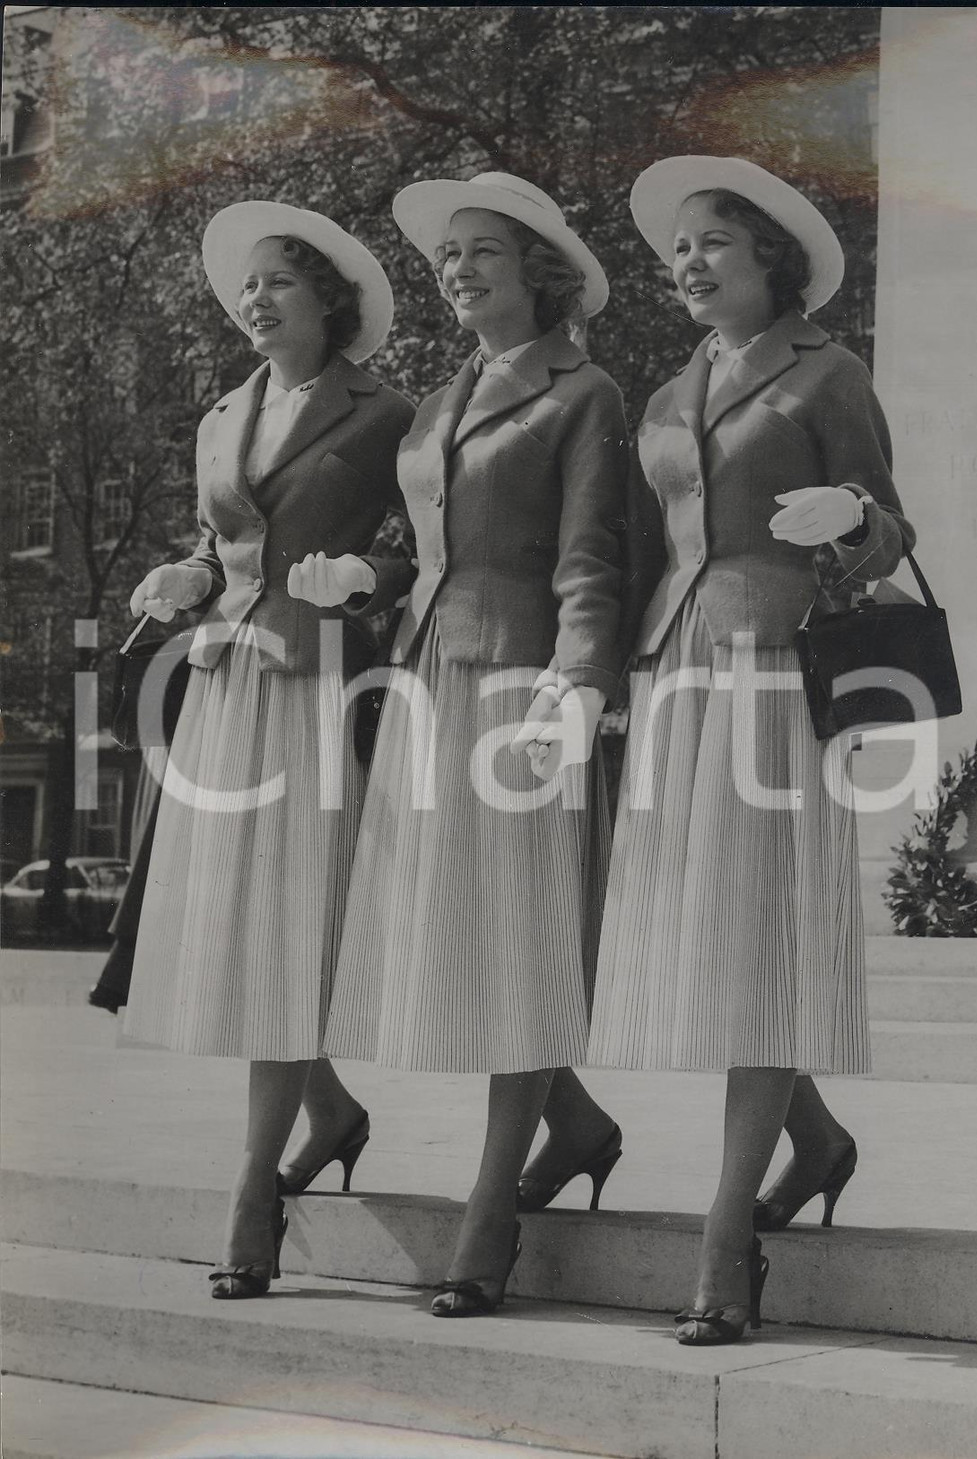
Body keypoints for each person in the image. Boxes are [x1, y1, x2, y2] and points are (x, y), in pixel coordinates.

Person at [586, 156, 915, 1344]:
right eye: (677, 247)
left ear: (771, 257)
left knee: (758, 930)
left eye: (712, 241)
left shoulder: (828, 371)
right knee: (713, 932)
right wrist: (609, 682)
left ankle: (727, 1235)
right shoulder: (666, 393)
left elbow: (888, 526)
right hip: (677, 668)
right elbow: (639, 546)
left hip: (779, 669)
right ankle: (813, 1141)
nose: (688, 261)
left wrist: (855, 519)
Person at [292, 172, 629, 1316]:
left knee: (515, 941)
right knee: (459, 935)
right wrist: (366, 575)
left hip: (519, 684)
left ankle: (490, 1213)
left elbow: (592, 558)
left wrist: (576, 687)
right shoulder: (439, 402)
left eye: (483, 250)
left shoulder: (583, 392)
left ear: (539, 269)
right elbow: (430, 550)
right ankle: (574, 1124)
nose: (458, 270)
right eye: (447, 256)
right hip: (429, 675)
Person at [121, 201, 414, 1299]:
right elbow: (223, 545)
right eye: (247, 284)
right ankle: (328, 1112)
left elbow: (429, 550)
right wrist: (187, 575)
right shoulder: (221, 415)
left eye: (279, 280)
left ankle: (254, 1192)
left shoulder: (386, 413)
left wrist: (369, 579)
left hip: (319, 687)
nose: (256, 299)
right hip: (224, 681)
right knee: (250, 929)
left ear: (329, 301)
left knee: (290, 930)